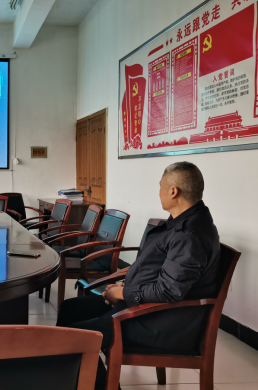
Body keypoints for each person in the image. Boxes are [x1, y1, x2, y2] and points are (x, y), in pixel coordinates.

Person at [56, 161, 220, 389]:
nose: (159, 191)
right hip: (144, 307)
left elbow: (168, 291)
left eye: (161, 186)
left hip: (160, 321)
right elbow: (156, 270)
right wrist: (123, 287)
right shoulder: (182, 222)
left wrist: (122, 293)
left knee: (72, 338)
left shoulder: (189, 235)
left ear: (173, 191)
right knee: (70, 309)